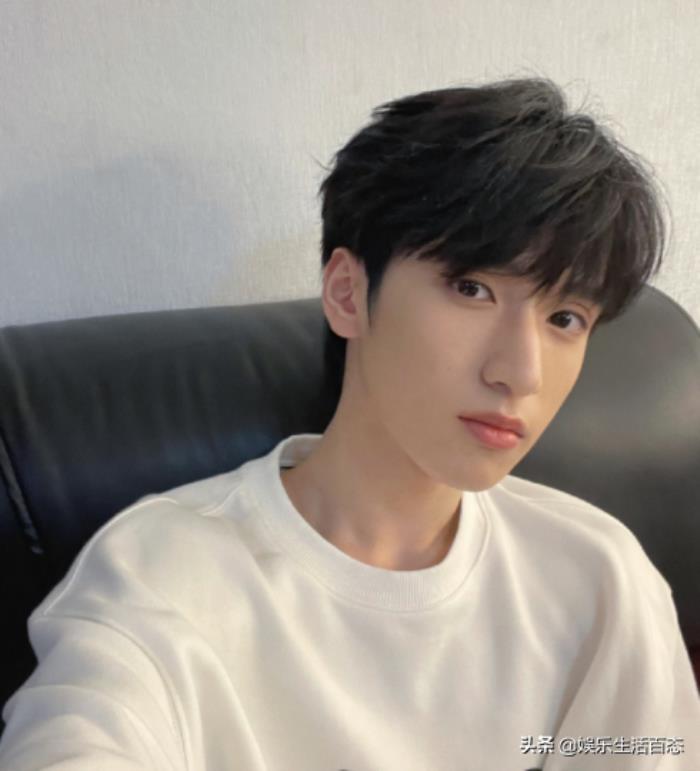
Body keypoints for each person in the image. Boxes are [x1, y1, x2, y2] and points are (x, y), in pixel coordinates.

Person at [1, 77, 698, 770]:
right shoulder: (159, 576)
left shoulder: (600, 580)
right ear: (346, 293)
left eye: (565, 318)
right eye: (472, 288)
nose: (522, 372)